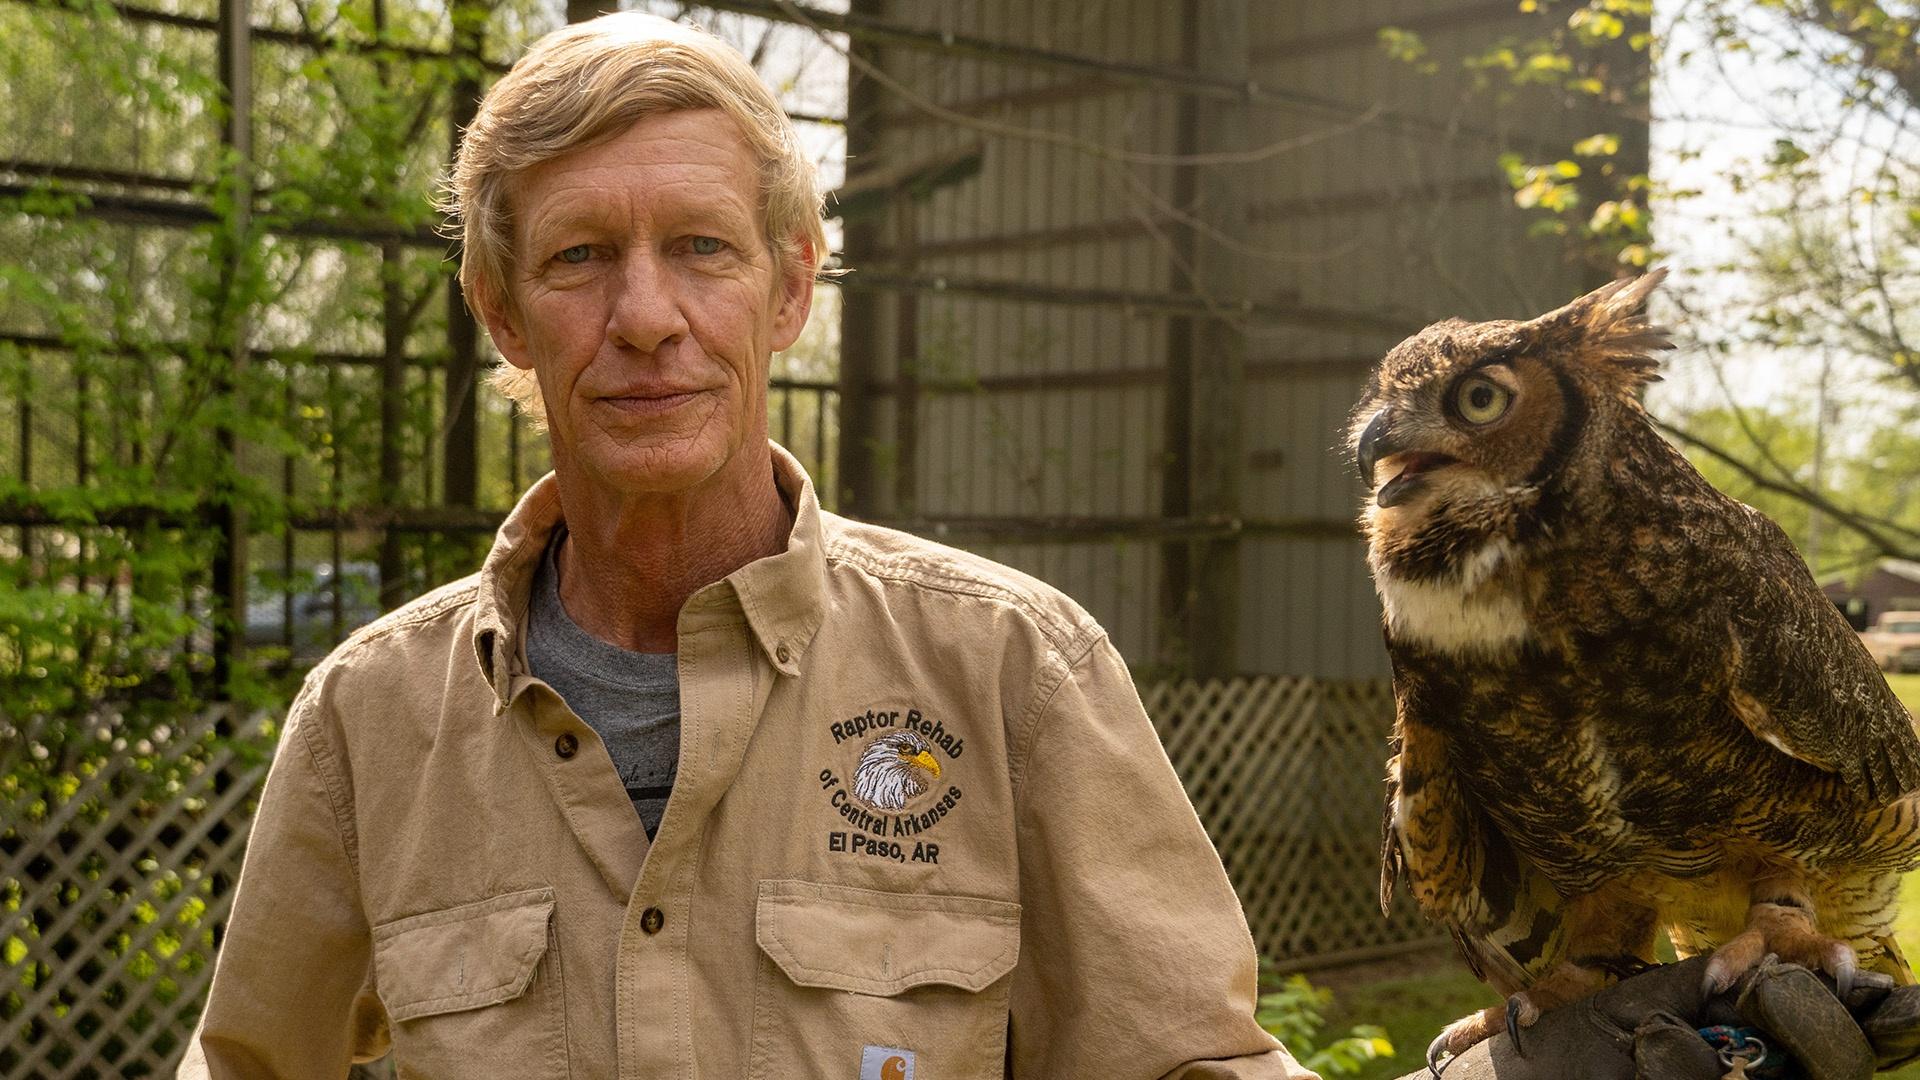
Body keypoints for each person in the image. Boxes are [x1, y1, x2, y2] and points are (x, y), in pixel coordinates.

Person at [179, 12, 1312, 1078]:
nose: (646, 316)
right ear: (501, 312)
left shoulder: (1014, 673)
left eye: (701, 246)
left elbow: (1188, 1062)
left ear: (792, 287)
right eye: (578, 256)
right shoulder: (367, 724)